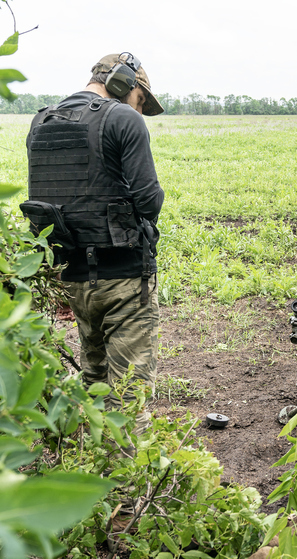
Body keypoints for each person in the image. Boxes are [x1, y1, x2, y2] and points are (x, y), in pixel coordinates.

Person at [22, 52, 165, 438]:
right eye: (139, 100)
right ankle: (129, 491)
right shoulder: (122, 117)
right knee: (129, 398)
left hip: (73, 280)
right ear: (124, 83)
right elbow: (149, 199)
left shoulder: (42, 121)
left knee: (93, 382)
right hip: (125, 279)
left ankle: (95, 478)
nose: (137, 108)